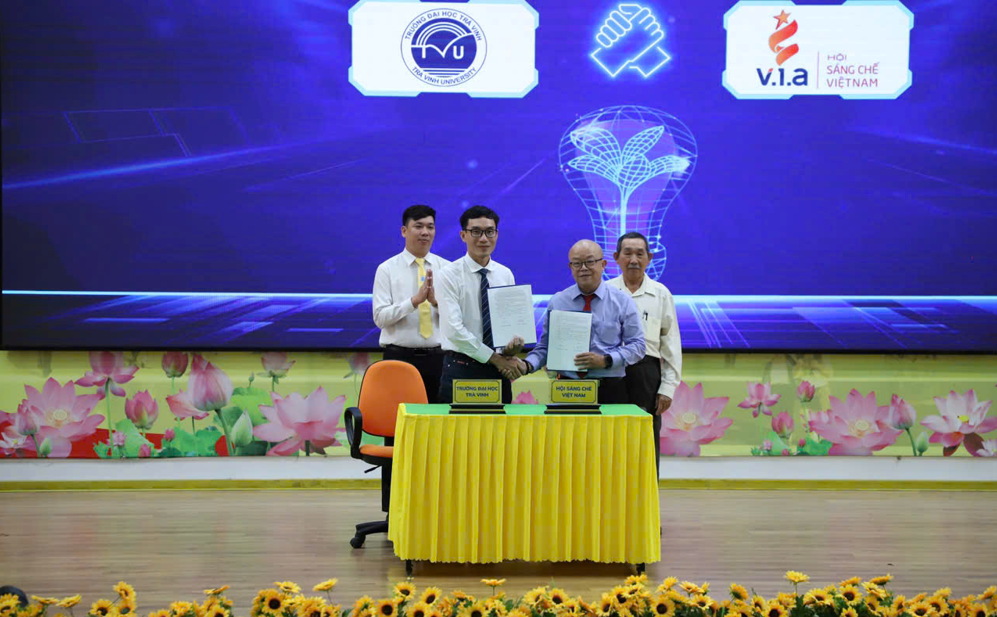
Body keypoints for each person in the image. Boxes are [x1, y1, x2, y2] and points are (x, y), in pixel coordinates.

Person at [517, 239, 645, 404]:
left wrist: (606, 360)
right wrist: (527, 365)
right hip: (567, 388)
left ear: (603, 264)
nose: (583, 268)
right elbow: (546, 347)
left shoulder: (623, 301)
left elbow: (638, 345)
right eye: (577, 263)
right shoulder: (558, 302)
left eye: (590, 262)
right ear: (571, 267)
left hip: (610, 388)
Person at [608, 232, 682, 475]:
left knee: (645, 441)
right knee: (610, 439)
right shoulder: (605, 291)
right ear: (616, 257)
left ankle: (646, 497)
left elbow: (671, 343)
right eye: (627, 253)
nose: (633, 260)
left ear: (649, 258)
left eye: (640, 254)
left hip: (646, 374)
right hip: (610, 372)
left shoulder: (661, 293)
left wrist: (667, 388)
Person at [436, 205, 524, 404]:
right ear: (463, 235)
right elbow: (453, 330)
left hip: (498, 369)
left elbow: (508, 325)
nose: (483, 238)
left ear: (497, 235)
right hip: (462, 366)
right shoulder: (448, 275)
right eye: (476, 232)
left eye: (489, 232)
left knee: (499, 424)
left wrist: (512, 348)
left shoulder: (505, 274)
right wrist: (495, 358)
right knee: (459, 425)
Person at [372, 205, 452, 403]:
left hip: (440, 359)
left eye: (430, 227)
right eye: (418, 226)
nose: (425, 232)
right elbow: (380, 318)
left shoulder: (449, 269)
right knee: (397, 419)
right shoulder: (386, 269)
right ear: (404, 231)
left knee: (439, 419)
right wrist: (414, 302)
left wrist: (435, 303)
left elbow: (460, 318)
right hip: (399, 359)